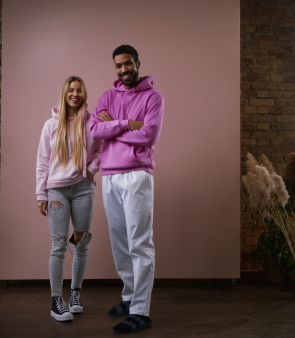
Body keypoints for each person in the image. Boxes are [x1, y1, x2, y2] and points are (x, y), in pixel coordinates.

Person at [90, 44, 164, 334]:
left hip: (137, 175)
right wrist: (126, 124)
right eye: (119, 65)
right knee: (120, 242)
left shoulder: (153, 97)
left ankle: (141, 311)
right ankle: (130, 297)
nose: (124, 70)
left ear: (137, 63)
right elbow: (95, 130)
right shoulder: (107, 96)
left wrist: (114, 129)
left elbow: (148, 135)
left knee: (139, 242)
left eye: (128, 64)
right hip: (110, 176)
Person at [36, 76, 102, 322]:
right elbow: (42, 162)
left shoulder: (93, 122)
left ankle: (75, 294)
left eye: (79, 90)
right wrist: (40, 194)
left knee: (81, 242)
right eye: (71, 90)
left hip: (84, 188)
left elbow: (101, 150)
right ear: (64, 94)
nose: (75, 94)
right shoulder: (50, 125)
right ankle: (56, 301)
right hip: (57, 191)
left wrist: (91, 170)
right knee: (59, 245)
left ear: (84, 94)